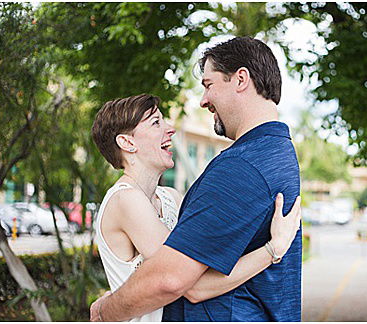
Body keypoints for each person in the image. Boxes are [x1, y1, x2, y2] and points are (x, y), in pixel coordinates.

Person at [90, 36, 302, 321]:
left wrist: (105, 310)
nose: (203, 100)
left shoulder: (241, 166)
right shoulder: (271, 153)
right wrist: (271, 250)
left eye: (208, 85)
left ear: (241, 80)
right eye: (155, 123)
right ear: (126, 143)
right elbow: (184, 279)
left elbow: (177, 279)